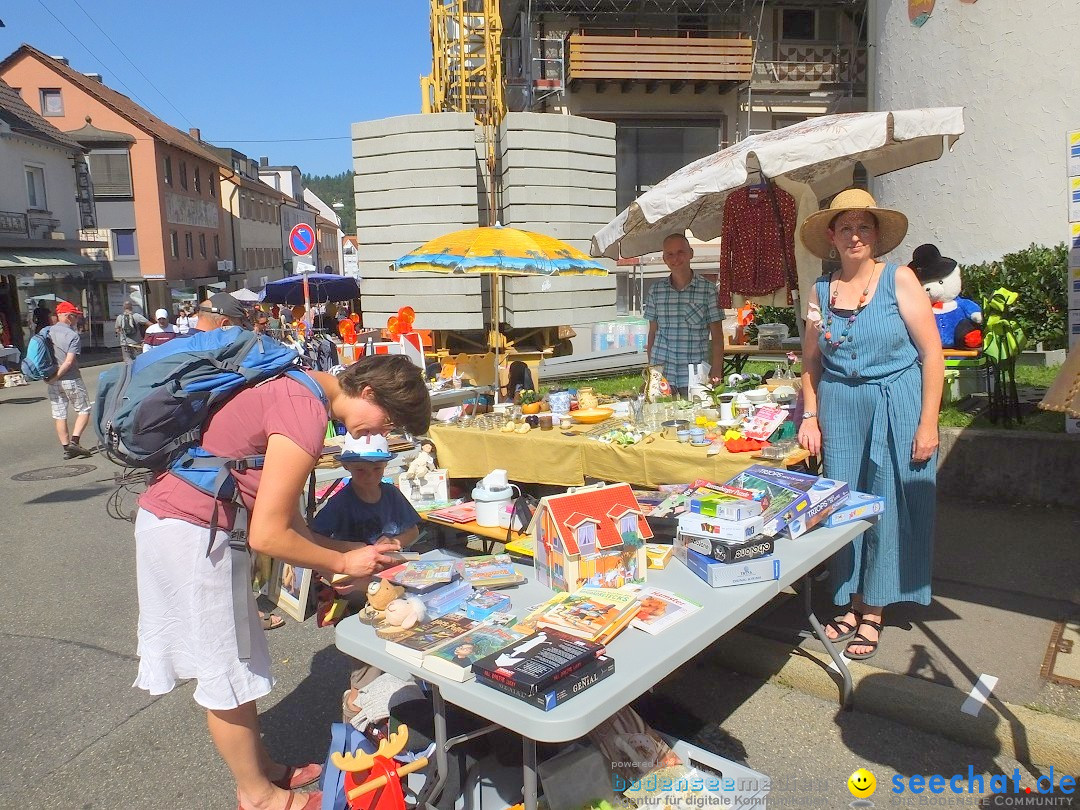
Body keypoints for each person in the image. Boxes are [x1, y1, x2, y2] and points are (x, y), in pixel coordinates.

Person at [134, 354, 431, 810]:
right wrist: (346, 562)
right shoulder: (305, 411)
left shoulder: (301, 390)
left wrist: (342, 555)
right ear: (367, 392)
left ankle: (263, 770)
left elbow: (296, 527)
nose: (377, 435)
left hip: (203, 526)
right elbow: (270, 534)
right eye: (383, 422)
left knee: (240, 654)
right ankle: (258, 797)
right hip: (191, 532)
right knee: (224, 671)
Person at [797, 188, 943, 661]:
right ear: (832, 237)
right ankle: (847, 597)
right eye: (846, 227)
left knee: (887, 501)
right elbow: (811, 362)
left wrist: (928, 424)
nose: (855, 235)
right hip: (840, 407)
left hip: (895, 401)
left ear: (876, 236)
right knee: (844, 503)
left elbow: (932, 355)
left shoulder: (900, 279)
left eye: (864, 227)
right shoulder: (822, 291)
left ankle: (874, 607)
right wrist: (811, 416)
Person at [643, 233, 725, 397]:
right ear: (664, 258)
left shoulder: (708, 290)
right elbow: (652, 333)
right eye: (670, 254)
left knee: (697, 419)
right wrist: (651, 369)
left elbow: (717, 336)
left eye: (681, 252)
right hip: (662, 373)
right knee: (658, 419)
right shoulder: (656, 291)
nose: (675, 258)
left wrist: (716, 372)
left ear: (691, 253)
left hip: (694, 373)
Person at [47, 301, 94, 458]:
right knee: (84, 409)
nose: (76, 320)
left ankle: (66, 447)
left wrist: (52, 378)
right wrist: (59, 376)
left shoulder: (47, 332)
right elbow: (68, 361)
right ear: (68, 317)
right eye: (75, 316)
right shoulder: (72, 335)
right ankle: (75, 441)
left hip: (51, 379)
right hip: (70, 378)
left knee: (59, 413)